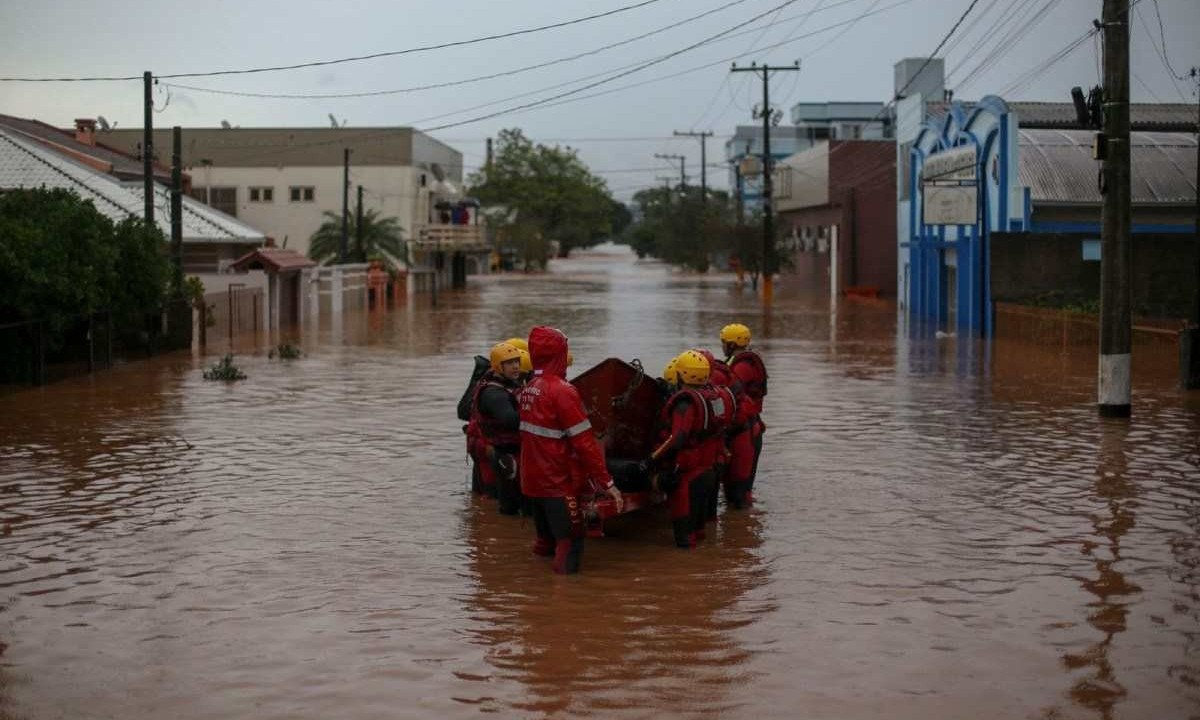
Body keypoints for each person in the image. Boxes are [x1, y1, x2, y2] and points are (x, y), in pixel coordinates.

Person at [519, 326, 622, 574]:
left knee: (545, 542)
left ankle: (533, 595)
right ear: (559, 353)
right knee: (570, 541)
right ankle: (564, 604)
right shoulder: (563, 391)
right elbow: (585, 444)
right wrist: (607, 483)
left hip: (532, 482)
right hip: (557, 483)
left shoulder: (529, 387)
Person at [642, 350, 732, 548]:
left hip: (688, 476)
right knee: (700, 533)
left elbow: (678, 437)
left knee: (684, 541)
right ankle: (705, 572)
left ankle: (686, 576)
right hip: (708, 471)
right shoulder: (714, 396)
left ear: (681, 374)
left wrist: (651, 460)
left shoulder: (685, 403)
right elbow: (720, 427)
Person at [466, 342, 524, 512]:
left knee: (511, 504)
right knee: (509, 508)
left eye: (516, 361)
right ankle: (508, 536)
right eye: (509, 363)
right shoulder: (494, 394)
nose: (515, 366)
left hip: (510, 452)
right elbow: (510, 419)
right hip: (504, 455)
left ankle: (507, 534)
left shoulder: (508, 384)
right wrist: (539, 410)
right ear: (499, 366)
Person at [720, 323, 768, 508]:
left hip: (744, 431)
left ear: (732, 344)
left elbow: (731, 395)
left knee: (737, 490)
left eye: (724, 343)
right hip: (751, 427)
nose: (722, 346)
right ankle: (745, 529)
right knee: (742, 488)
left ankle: (741, 527)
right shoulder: (748, 361)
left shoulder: (741, 367)